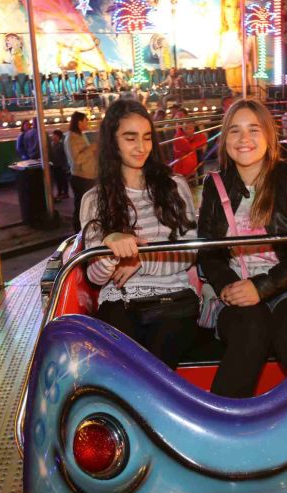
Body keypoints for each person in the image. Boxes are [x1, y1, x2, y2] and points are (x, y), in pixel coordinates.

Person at [197, 99, 287, 398]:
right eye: (235, 131)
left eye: (253, 130)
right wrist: (229, 286)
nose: (244, 139)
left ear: (269, 136)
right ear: (225, 140)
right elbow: (208, 249)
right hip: (237, 286)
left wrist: (263, 287)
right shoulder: (215, 185)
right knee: (249, 329)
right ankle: (226, 419)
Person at [79, 99, 198, 367]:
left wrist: (141, 260)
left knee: (154, 364)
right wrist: (111, 247)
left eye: (146, 137)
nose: (141, 147)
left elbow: (190, 251)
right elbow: (95, 277)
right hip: (120, 300)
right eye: (130, 138)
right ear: (112, 142)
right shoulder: (94, 200)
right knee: (124, 364)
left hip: (172, 299)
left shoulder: (175, 187)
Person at [65, 111, 98, 232]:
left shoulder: (80, 135)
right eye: (85, 121)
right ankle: (78, 232)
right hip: (81, 177)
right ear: (79, 122)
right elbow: (77, 160)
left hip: (89, 176)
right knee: (81, 206)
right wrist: (91, 148)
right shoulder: (71, 138)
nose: (87, 123)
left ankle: (87, 230)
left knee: (89, 205)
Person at [171, 108, 207, 182]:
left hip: (191, 170)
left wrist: (195, 142)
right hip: (181, 173)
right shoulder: (178, 137)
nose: (189, 128)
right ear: (182, 126)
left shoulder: (192, 136)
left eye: (191, 127)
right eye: (186, 126)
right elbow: (189, 147)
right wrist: (196, 144)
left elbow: (204, 139)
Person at [50, 130, 70, 201]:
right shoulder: (51, 144)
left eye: (55, 135)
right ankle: (59, 193)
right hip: (55, 165)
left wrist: (66, 166)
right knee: (58, 180)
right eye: (53, 135)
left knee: (63, 180)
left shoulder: (61, 145)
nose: (53, 137)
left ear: (59, 137)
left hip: (61, 165)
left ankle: (65, 193)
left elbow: (66, 156)